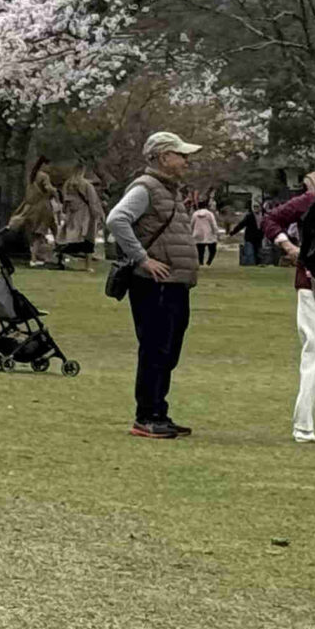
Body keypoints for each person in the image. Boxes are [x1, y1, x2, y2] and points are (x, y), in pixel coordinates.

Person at [107, 130, 202, 441]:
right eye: (181, 154)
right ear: (164, 157)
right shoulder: (146, 188)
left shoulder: (168, 190)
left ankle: (158, 411)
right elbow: (116, 220)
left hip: (174, 283)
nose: (186, 160)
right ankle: (146, 415)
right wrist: (143, 259)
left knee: (168, 349)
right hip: (154, 283)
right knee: (155, 348)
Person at [263, 165, 315, 444]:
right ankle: (304, 423)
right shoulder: (312, 201)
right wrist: (289, 246)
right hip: (313, 285)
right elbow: (271, 220)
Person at [190, 194, 219, 269]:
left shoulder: (195, 214)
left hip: (198, 234)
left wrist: (191, 232)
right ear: (206, 206)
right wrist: (216, 232)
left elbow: (191, 224)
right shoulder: (209, 214)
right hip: (209, 234)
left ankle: (200, 262)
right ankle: (209, 261)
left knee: (200, 250)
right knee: (212, 249)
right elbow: (213, 224)